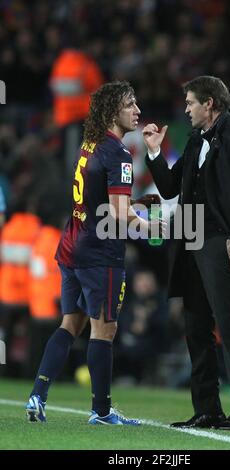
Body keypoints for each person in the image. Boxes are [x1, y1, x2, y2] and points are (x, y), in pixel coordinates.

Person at [26, 81, 161, 426]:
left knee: (70, 323)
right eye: (130, 104)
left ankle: (37, 396)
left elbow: (100, 200)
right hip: (100, 253)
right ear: (113, 110)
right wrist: (151, 227)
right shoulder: (118, 153)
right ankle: (101, 411)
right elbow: (117, 214)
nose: (138, 111)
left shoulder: (89, 145)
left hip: (72, 245)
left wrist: (136, 204)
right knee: (105, 330)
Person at [143, 76, 230, 431]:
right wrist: (154, 150)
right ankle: (208, 410)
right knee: (195, 329)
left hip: (220, 243)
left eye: (190, 103)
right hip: (191, 240)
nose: (186, 109)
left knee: (229, 328)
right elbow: (170, 187)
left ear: (210, 104)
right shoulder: (194, 141)